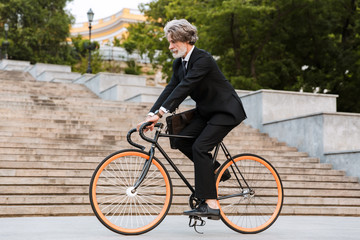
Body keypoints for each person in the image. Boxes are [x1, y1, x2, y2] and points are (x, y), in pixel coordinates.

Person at [137, 19, 247, 218]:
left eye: (173, 42)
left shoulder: (203, 59)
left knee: (200, 147)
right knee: (179, 140)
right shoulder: (179, 64)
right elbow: (170, 88)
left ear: (185, 39)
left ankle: (212, 205)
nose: (170, 46)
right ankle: (216, 171)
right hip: (206, 112)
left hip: (226, 111)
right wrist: (150, 115)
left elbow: (185, 87)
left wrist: (161, 114)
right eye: (169, 42)